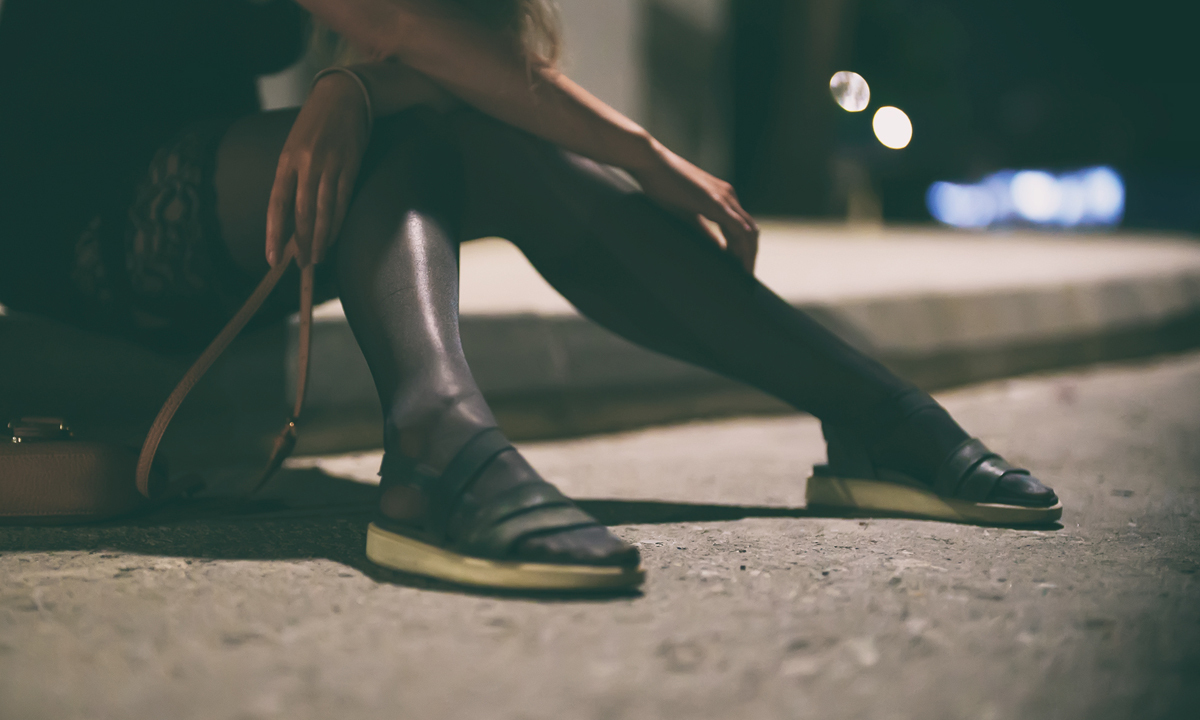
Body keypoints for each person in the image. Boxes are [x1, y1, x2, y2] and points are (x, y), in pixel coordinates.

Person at [0, 0, 1060, 592]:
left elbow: (451, 57)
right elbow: (401, 23)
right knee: (414, 138)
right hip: (76, 209)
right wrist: (648, 155)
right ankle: (434, 450)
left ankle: (871, 415)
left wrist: (357, 86)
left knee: (465, 138)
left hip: (237, 196)